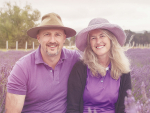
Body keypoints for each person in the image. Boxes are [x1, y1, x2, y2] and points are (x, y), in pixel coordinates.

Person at [5, 13, 80, 113]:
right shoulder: (22, 68)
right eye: (47, 34)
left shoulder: (74, 58)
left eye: (57, 34)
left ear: (64, 39)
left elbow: (97, 63)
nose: (52, 40)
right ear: (39, 38)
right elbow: (12, 111)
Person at [67, 18, 132, 113]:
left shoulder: (123, 70)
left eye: (102, 36)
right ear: (89, 43)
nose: (98, 41)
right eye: (93, 38)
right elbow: (73, 107)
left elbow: (125, 107)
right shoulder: (80, 68)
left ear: (111, 39)